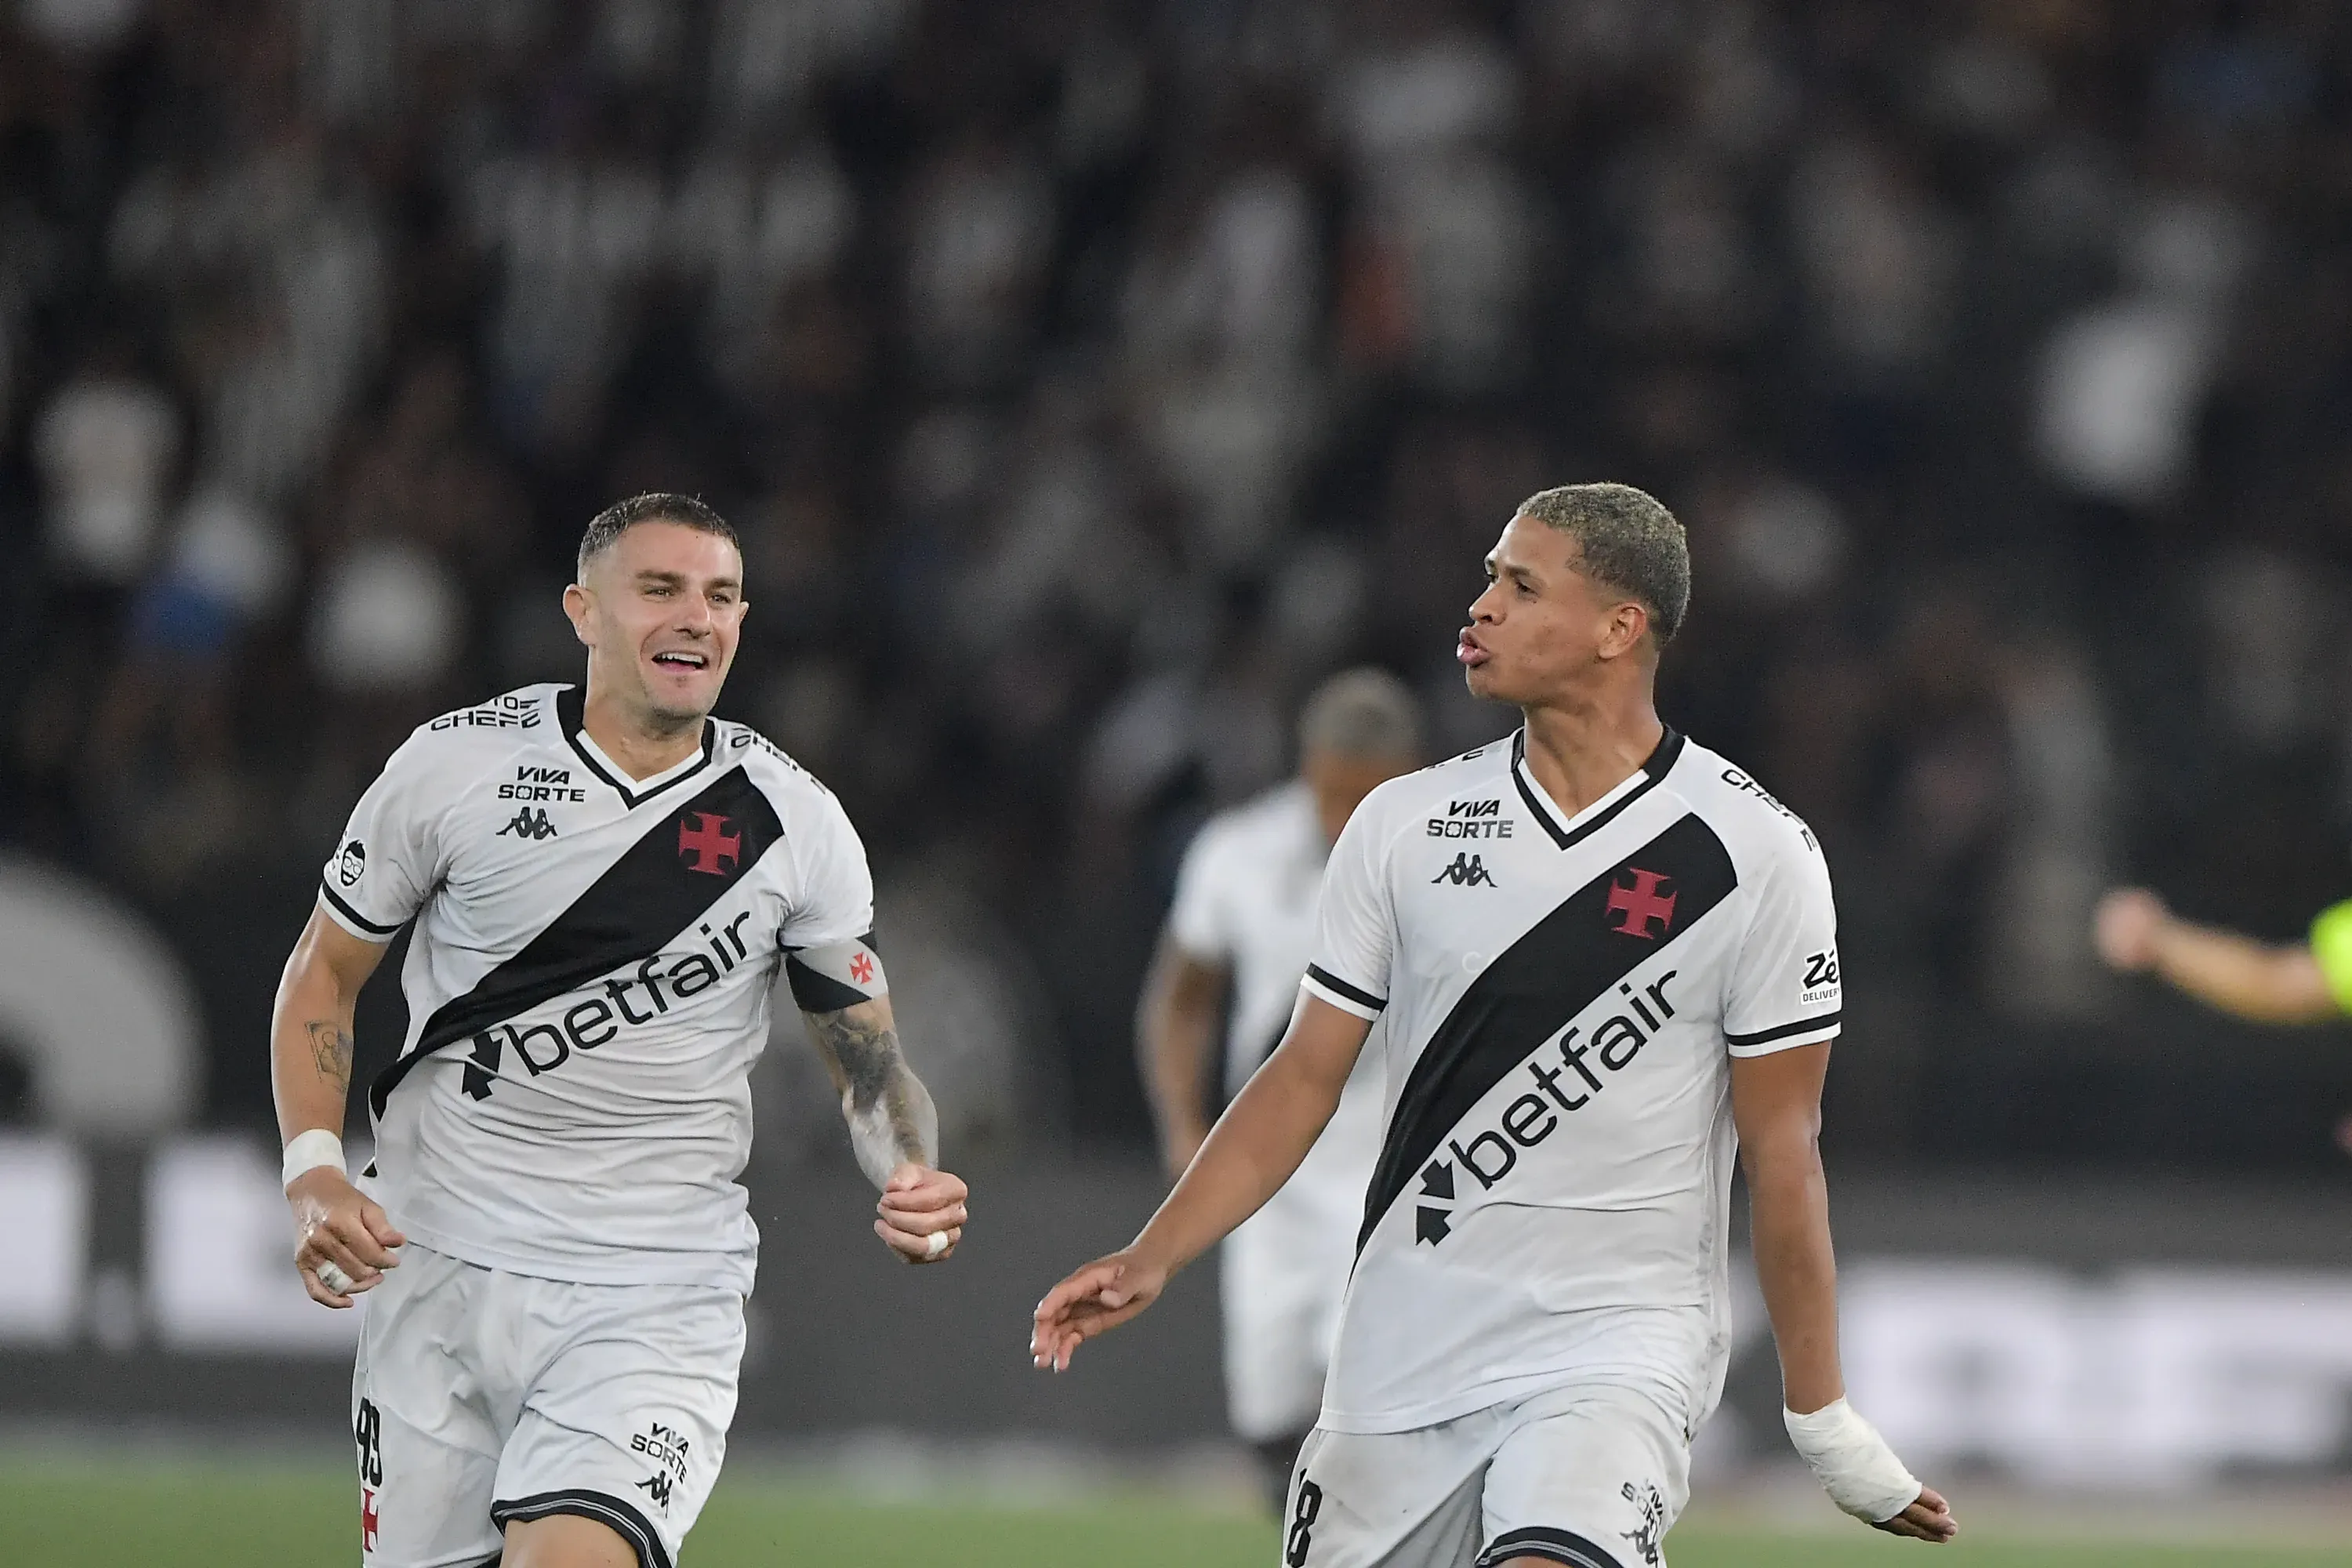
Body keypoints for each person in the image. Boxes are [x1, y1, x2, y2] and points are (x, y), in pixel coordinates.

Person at [1033, 483, 1955, 1566]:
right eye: (1488, 578)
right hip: (1400, 1349)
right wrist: (1157, 1254)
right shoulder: (1401, 827)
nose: (1479, 607)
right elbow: (1301, 1078)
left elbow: (1785, 1148)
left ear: (1622, 628)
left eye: (1520, 586)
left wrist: (1822, 1419)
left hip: (1614, 1349)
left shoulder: (1754, 854)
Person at [273, 493, 969, 1568]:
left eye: (722, 597)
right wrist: (315, 1170)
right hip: (436, 1264)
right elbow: (325, 973)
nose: (698, 618)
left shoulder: (790, 820)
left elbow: (871, 1067)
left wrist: (911, 1165)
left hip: (651, 1288)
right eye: (661, 589)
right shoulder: (455, 768)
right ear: (583, 611)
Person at [1140, 668, 1425, 1513]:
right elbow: (1181, 998)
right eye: (1334, 793)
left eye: (1365, 797)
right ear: (1308, 768)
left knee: (1368, 1422)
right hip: (1267, 1176)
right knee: (1266, 1422)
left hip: (1392, 1175)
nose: (1346, 819)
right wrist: (1183, 1123)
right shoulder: (1239, 851)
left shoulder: (1456, 860)